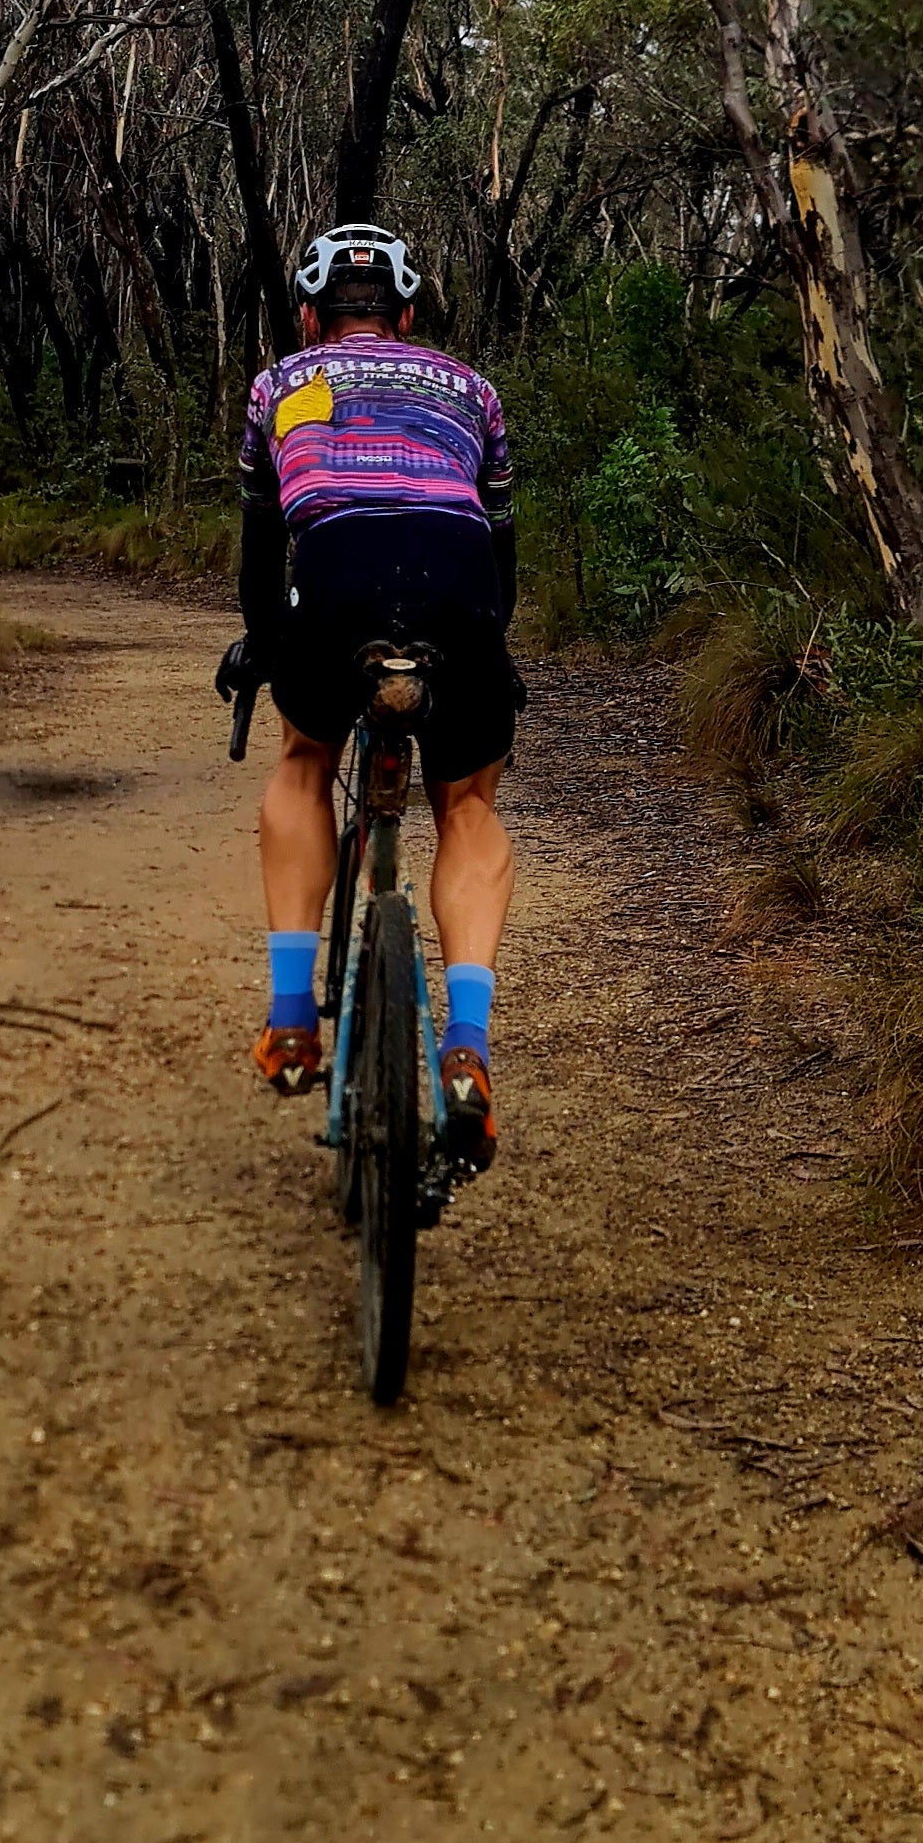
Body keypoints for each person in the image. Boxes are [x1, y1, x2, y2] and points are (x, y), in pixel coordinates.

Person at [230, 223, 519, 1171]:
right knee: (469, 803)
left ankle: (288, 1020)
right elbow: (502, 552)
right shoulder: (473, 389)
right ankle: (467, 1040)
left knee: (305, 760)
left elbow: (261, 552)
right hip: (458, 577)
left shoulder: (281, 386)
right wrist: (490, 649)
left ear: (313, 316)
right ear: (405, 317)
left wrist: (269, 646)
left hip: (336, 573)